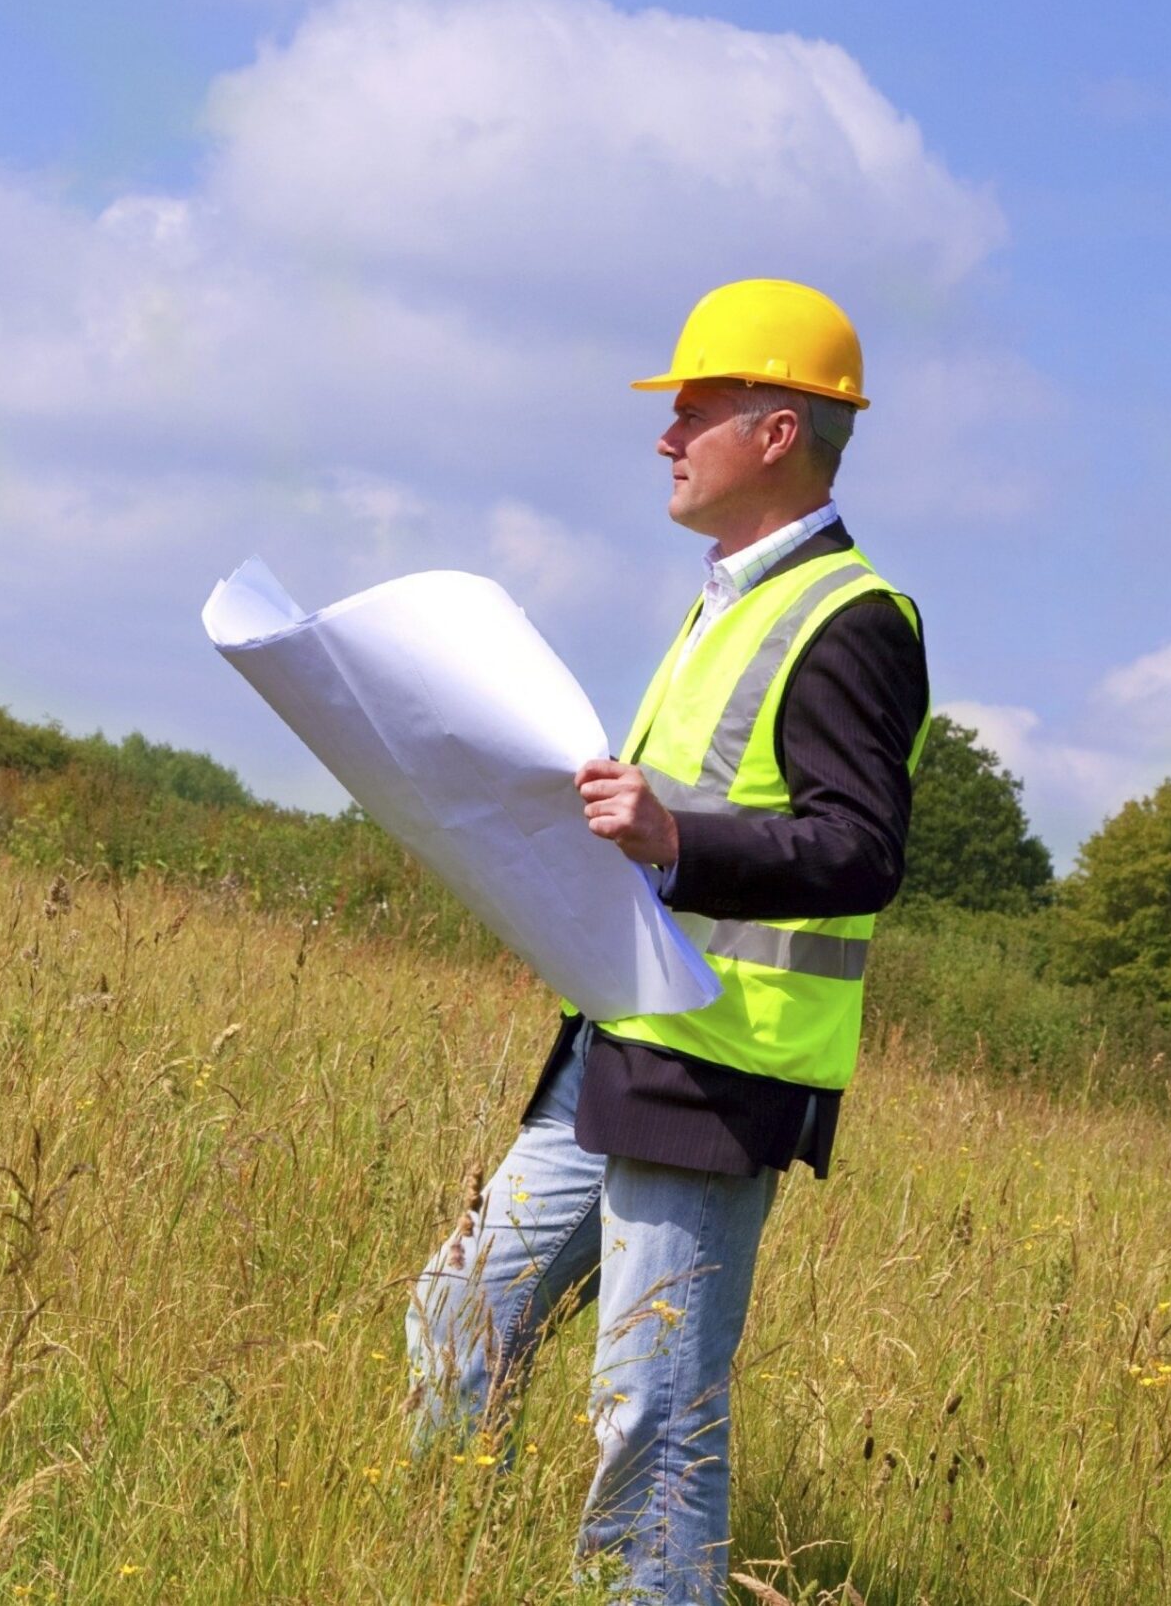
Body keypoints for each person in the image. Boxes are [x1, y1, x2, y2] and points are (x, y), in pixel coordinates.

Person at [404, 278, 931, 1603]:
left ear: (774, 432)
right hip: (621, 1044)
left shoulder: (854, 619)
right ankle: (427, 1567)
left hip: (721, 1072)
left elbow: (861, 848)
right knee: (460, 1318)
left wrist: (675, 837)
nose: (665, 435)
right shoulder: (723, 599)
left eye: (691, 407)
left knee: (653, 1409)